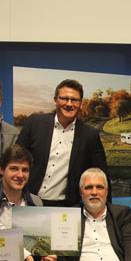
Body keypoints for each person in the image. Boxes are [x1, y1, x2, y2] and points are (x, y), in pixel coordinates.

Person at [16, 78, 108, 206]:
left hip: (65, 207)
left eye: (74, 100)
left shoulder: (90, 135)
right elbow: (15, 159)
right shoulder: (35, 123)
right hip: (28, 201)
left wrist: (107, 211)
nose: (69, 104)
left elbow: (102, 174)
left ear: (81, 104)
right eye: (64, 98)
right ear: (55, 100)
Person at [0, 145, 43, 229]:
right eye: (14, 169)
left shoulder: (36, 203)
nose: (20, 175)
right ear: (2, 170)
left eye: (25, 170)